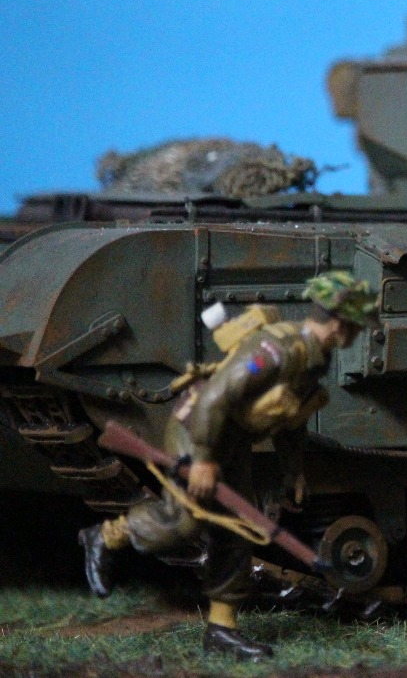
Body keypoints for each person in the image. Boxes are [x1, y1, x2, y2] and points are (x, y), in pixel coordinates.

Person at [78, 270, 378, 661]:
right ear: (340, 324)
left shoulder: (313, 361)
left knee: (238, 529)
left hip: (233, 441)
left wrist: (293, 472)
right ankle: (105, 537)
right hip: (198, 431)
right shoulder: (275, 351)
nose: (358, 333)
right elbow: (215, 399)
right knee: (185, 521)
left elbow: (291, 422)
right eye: (356, 325)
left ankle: (222, 630)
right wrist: (203, 461)